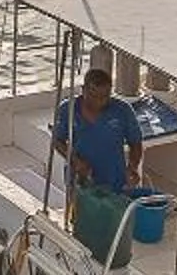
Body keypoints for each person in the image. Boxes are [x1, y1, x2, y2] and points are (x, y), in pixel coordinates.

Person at [50, 63, 143, 202]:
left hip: (115, 180)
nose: (99, 102)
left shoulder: (123, 110)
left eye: (104, 97)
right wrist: (76, 161)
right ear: (83, 90)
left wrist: (133, 167)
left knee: (113, 212)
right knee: (80, 212)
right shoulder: (67, 109)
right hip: (80, 179)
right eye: (93, 96)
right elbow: (57, 140)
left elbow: (135, 142)